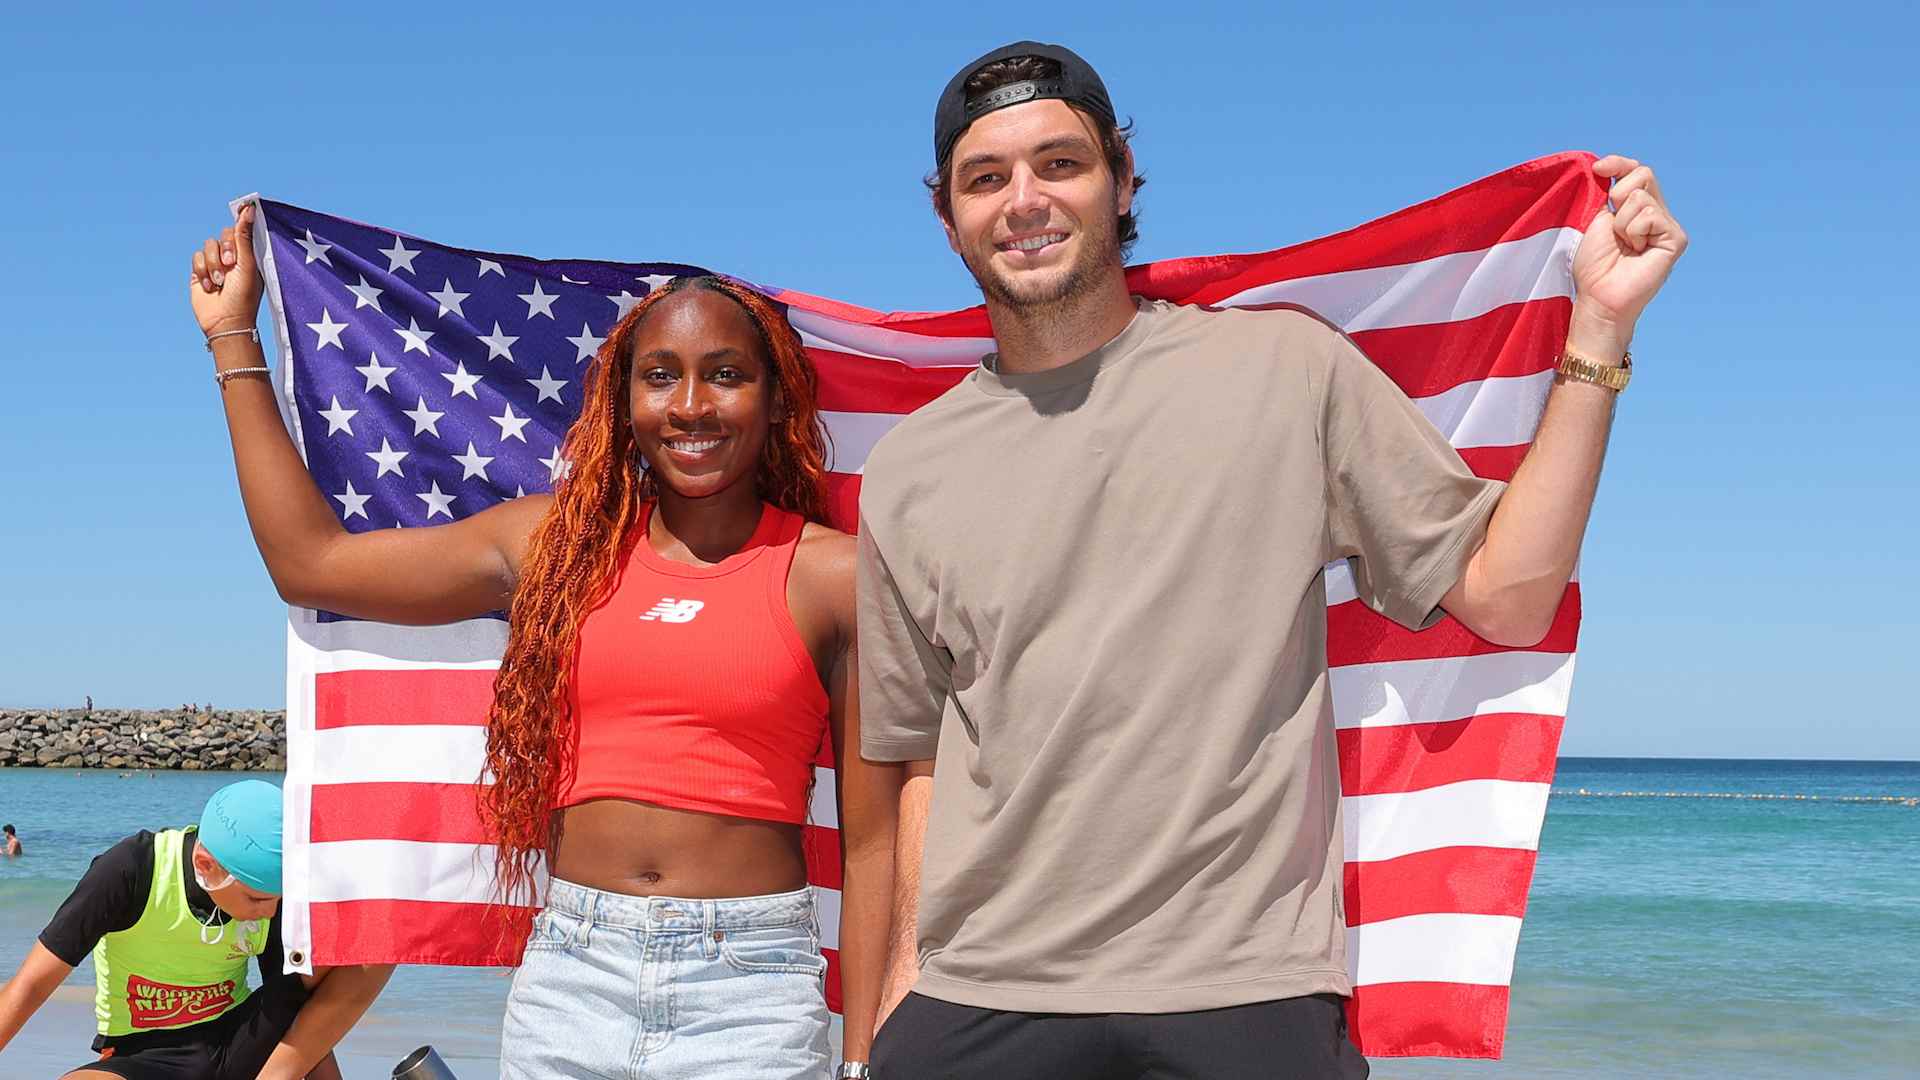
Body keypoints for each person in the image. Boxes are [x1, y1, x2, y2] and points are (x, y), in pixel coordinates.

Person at [857, 41, 1687, 1079]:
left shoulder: (1283, 370)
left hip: (1245, 991)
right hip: (981, 993)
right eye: (987, 179)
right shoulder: (908, 470)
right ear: (949, 218)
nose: (1024, 199)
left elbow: (1508, 597)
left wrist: (1600, 331)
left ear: (1120, 180)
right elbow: (927, 754)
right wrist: (898, 999)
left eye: (1059, 164)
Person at [186, 210, 899, 1079]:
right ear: (622, 401)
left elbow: (871, 847)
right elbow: (313, 564)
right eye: (660, 377)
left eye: (725, 375)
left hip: (750, 991)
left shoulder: (834, 575)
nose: (691, 406)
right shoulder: (552, 546)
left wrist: (863, 1060)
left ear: (774, 396)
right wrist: (232, 337)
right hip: (572, 976)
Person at [0, 780, 391, 1079]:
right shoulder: (131, 871)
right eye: (257, 900)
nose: (270, 912)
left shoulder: (271, 893)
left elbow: (297, 1009)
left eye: (278, 898)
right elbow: (30, 986)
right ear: (205, 864)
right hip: (142, 1057)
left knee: (378, 946)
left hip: (240, 1040)